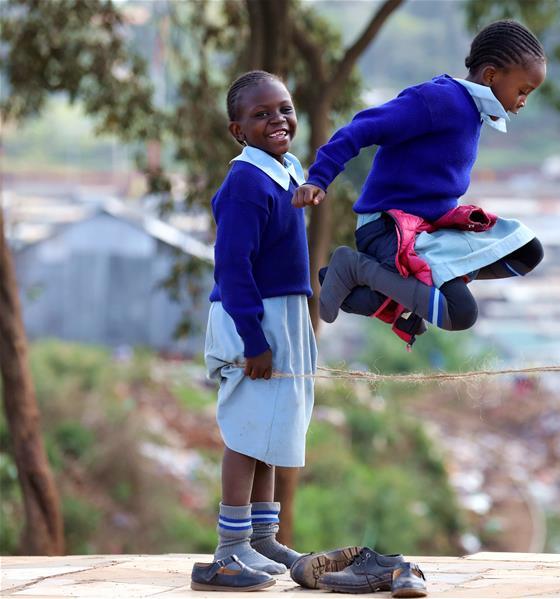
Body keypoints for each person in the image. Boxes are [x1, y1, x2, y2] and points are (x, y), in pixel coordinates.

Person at [293, 20, 547, 339]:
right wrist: (319, 178)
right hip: (387, 227)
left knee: (528, 251)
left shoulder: (472, 111)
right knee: (461, 313)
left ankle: (404, 284)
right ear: (492, 76)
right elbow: (362, 127)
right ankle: (356, 267)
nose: (523, 101)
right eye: (523, 90)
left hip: (429, 231)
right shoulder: (438, 100)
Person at [202, 70, 314, 582]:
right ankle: (229, 549)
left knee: (271, 430)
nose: (277, 119)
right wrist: (253, 339)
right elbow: (233, 266)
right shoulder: (246, 181)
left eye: (284, 108)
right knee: (248, 432)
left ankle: (263, 539)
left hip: (282, 317)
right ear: (237, 130)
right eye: (260, 114)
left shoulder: (287, 170)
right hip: (255, 320)